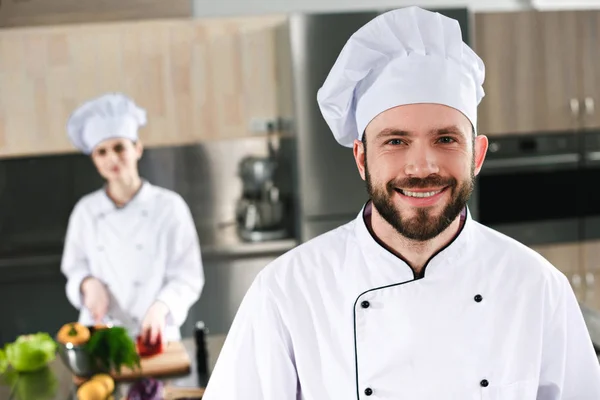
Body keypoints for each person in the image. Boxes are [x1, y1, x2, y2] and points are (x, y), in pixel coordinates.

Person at [202, 7, 600, 400]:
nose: (422, 166)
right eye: (396, 141)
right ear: (361, 158)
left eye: (446, 139)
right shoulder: (288, 292)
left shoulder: (537, 288)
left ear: (477, 156)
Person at [60, 92, 205, 345]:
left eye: (119, 147)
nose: (112, 158)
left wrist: (162, 306)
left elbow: (188, 276)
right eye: (101, 152)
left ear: (137, 149)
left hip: (156, 334)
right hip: (99, 336)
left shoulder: (170, 207)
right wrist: (87, 283)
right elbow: (74, 268)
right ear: (94, 160)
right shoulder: (86, 211)